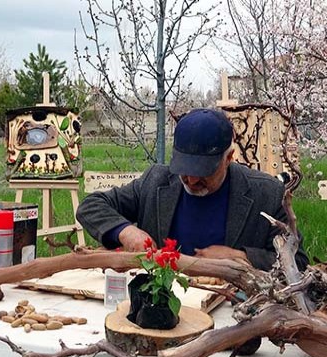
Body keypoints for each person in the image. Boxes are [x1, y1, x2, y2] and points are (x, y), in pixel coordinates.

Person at [77, 108, 309, 271]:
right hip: (161, 304)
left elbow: (298, 262)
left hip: (231, 312)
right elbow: (91, 206)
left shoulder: (266, 193)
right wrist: (126, 231)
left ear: (229, 158)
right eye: (185, 168)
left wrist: (242, 257)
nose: (192, 179)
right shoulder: (156, 181)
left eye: (204, 171)